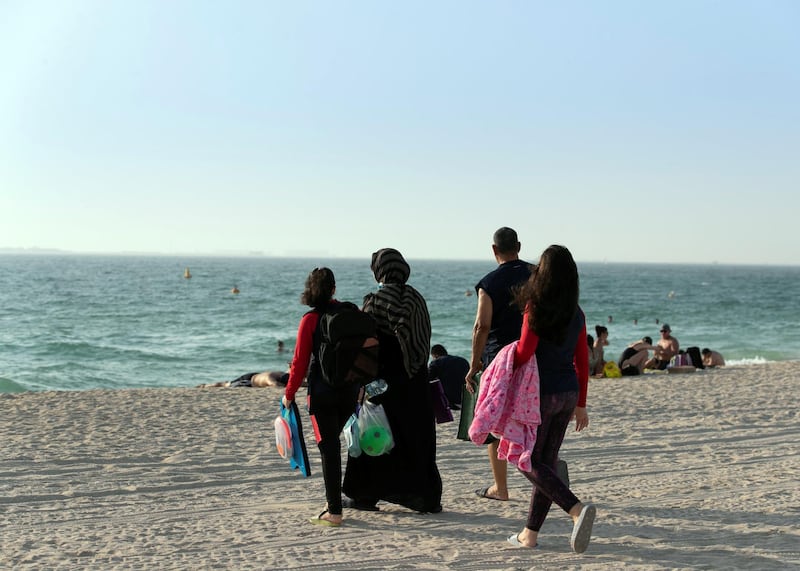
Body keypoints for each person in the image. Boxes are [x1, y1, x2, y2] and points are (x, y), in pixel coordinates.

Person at [506, 245, 595, 553]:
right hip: (568, 393)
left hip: (540, 395)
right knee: (546, 463)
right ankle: (529, 534)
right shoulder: (577, 313)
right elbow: (582, 361)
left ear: (541, 274)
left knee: (525, 459)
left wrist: (505, 361)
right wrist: (581, 403)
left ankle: (575, 509)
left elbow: (524, 352)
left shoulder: (536, 307)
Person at [342, 248, 443, 513]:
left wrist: (358, 382)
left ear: (379, 270)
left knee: (376, 434)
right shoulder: (416, 298)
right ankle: (423, 497)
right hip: (416, 379)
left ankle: (363, 495)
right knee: (416, 437)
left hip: (385, 383)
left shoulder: (375, 300)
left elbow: (367, 344)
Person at [281, 267, 361, 527]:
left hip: (322, 394)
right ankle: (340, 501)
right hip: (349, 392)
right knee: (338, 445)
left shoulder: (309, 320)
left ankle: (334, 511)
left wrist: (288, 394)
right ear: (334, 289)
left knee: (328, 449)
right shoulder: (351, 313)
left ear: (310, 291)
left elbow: (299, 362)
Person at [466, 227, 532, 502]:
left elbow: (482, 325)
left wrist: (473, 364)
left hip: (499, 360)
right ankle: (545, 478)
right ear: (519, 245)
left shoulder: (489, 283)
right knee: (532, 418)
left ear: (494, 250)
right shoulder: (537, 274)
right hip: (533, 356)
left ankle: (500, 487)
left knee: (494, 420)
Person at [428, 344, 469, 410]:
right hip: (464, 399)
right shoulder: (463, 361)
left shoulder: (436, 362)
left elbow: (428, 379)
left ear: (435, 355)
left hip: (448, 401)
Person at [196, 370, 291, 388]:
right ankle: (206, 386)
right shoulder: (271, 378)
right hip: (248, 382)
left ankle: (205, 385)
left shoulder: (280, 373)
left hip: (254, 375)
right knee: (227, 385)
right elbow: (274, 384)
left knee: (226, 383)